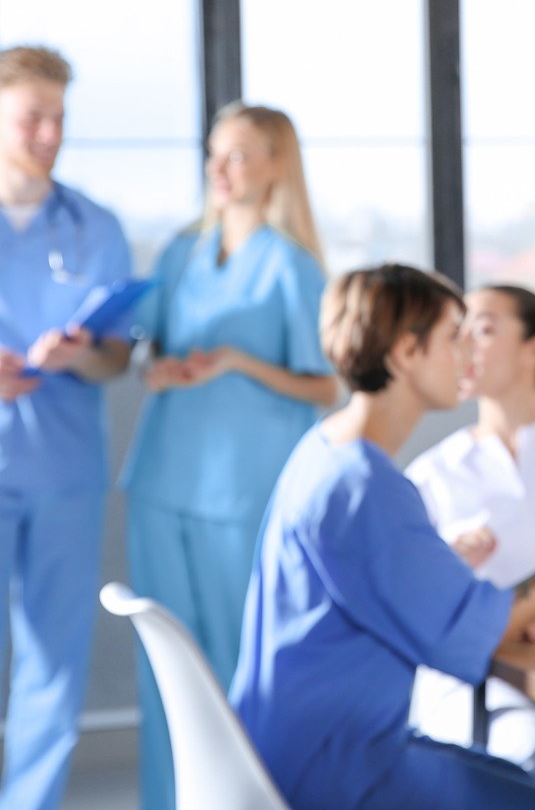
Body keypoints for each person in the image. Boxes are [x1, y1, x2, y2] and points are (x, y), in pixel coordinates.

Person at [230, 264, 535, 810]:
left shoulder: (327, 451)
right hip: (335, 764)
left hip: (293, 743)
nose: (467, 354)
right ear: (407, 353)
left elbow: (394, 580)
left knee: (522, 783)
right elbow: (467, 636)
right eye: (454, 336)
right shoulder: (366, 486)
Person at [120, 102, 338, 809]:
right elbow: (142, 342)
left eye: (239, 154)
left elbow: (325, 384)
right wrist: (156, 367)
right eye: (215, 152)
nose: (220, 167)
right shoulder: (182, 252)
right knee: (164, 670)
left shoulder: (290, 264)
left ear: (277, 165)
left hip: (243, 494)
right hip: (160, 482)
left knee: (235, 674)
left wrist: (239, 363)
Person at [0, 45, 133, 810]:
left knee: (54, 663)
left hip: (64, 470)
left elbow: (117, 356)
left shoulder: (95, 226)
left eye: (60, 118)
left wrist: (82, 356)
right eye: (32, 117)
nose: (49, 132)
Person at [406, 285, 535, 800]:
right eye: (459, 330)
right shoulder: (433, 475)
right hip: (472, 685)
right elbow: (420, 607)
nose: (465, 342)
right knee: (533, 749)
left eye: (483, 328)